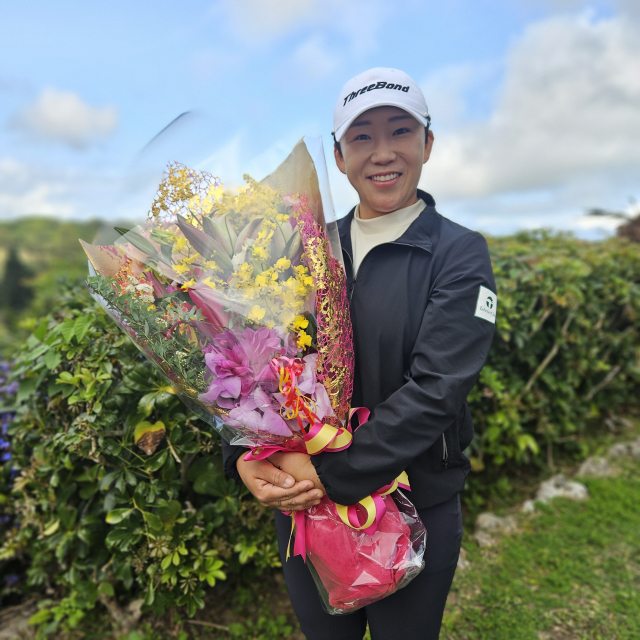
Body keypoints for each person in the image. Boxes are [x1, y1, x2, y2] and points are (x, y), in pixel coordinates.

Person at [222, 67, 497, 640]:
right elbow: (252, 365)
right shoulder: (305, 248)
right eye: (361, 136)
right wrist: (246, 459)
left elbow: (436, 390)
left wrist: (326, 471)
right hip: (308, 509)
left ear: (427, 142)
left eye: (400, 131)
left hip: (414, 504)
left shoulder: (458, 253)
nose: (382, 153)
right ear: (338, 156)